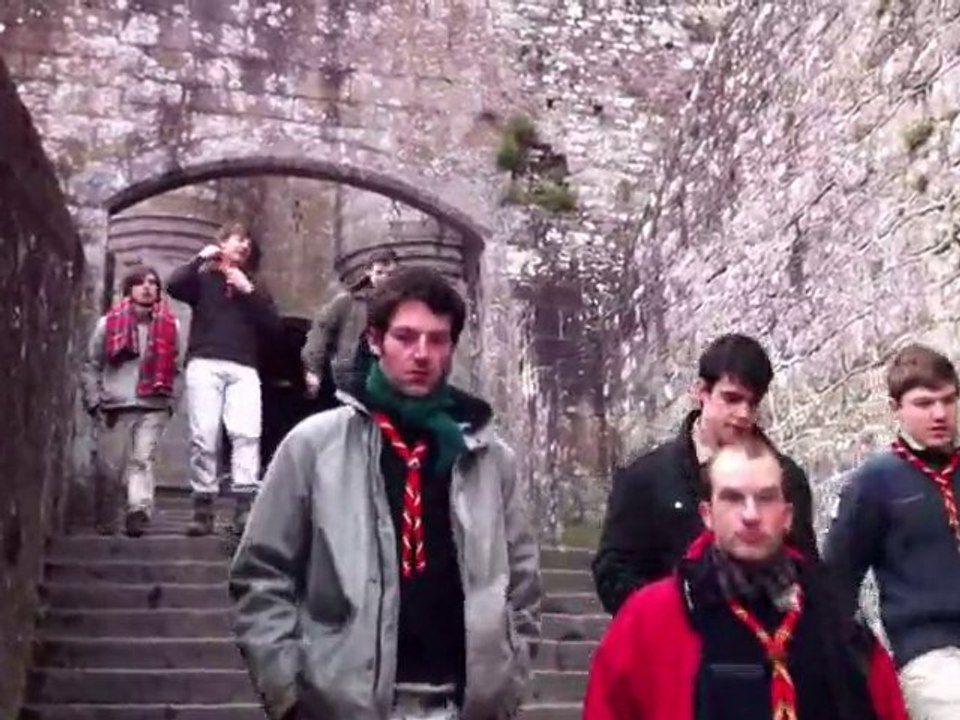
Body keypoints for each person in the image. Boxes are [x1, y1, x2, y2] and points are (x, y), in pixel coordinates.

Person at [229, 266, 540, 720]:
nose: (422, 354)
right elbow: (262, 574)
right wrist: (289, 696)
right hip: (345, 705)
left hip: (464, 705)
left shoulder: (490, 460)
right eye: (406, 337)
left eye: (437, 339)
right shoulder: (314, 446)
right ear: (375, 341)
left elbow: (523, 583)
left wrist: (507, 683)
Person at [584, 438, 909, 720]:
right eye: (733, 498)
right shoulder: (650, 618)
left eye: (766, 498)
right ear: (707, 515)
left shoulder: (836, 619)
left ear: (787, 517)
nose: (751, 515)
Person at [592, 333, 817, 615]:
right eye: (732, 399)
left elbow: (808, 570)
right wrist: (666, 616)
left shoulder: (786, 479)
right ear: (702, 392)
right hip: (674, 648)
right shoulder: (645, 478)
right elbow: (613, 572)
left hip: (766, 644)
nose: (744, 413)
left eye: (753, 403)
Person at [825, 344, 960, 720]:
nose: (939, 414)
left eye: (948, 400)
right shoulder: (874, 483)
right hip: (930, 654)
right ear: (895, 408)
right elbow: (836, 578)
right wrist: (862, 658)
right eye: (924, 403)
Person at [166, 221, 282, 537]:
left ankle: (244, 508)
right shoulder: (203, 277)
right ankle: (203, 506)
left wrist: (249, 292)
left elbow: (274, 327)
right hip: (204, 362)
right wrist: (197, 259)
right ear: (222, 243)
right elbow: (173, 286)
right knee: (203, 436)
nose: (243, 245)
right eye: (237, 239)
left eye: (247, 241)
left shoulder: (256, 284)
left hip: (244, 366)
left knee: (246, 435)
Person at [81, 266, 183, 537]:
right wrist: (93, 401)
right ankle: (106, 518)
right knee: (109, 467)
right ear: (129, 289)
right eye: (140, 282)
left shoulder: (171, 326)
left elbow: (176, 368)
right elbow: (92, 364)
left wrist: (172, 402)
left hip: (153, 406)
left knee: (142, 460)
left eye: (153, 282)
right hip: (114, 406)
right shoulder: (108, 324)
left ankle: (138, 511)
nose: (148, 287)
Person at [301, 247, 398, 401]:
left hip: (388, 375)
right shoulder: (348, 302)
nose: (385, 278)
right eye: (379, 272)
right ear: (368, 272)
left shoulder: (401, 306)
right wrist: (313, 370)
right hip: (352, 375)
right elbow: (321, 331)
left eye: (390, 274)